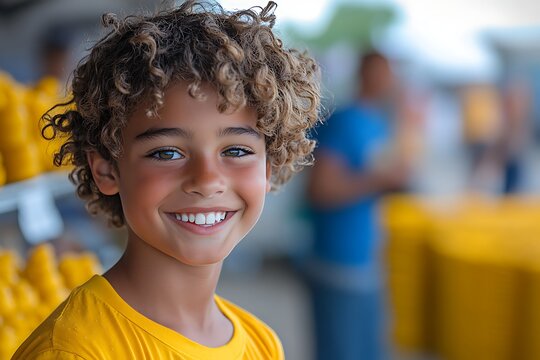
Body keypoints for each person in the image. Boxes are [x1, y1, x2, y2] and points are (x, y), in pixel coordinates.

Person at [13, 1, 321, 359]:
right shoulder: (74, 351)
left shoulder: (262, 344)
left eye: (236, 151)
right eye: (167, 153)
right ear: (107, 170)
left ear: (268, 168)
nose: (207, 181)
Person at [306, 51, 408, 360]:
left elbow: (378, 181)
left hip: (368, 260)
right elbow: (320, 189)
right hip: (338, 262)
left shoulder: (379, 123)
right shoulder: (345, 122)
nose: (390, 80)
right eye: (384, 72)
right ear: (366, 74)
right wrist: (378, 181)